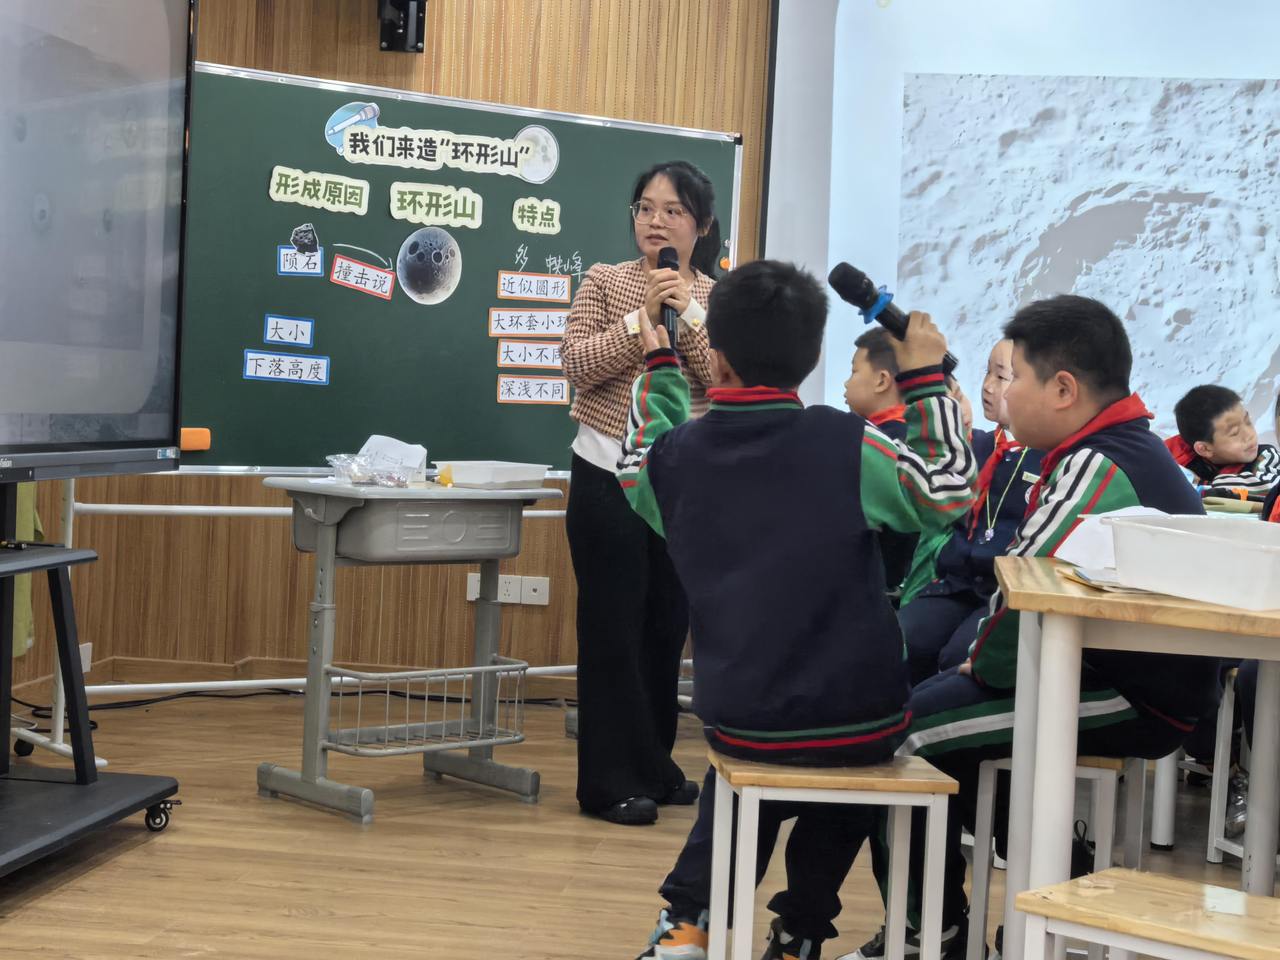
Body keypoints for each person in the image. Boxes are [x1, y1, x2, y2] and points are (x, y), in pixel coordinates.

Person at [619, 259, 976, 960]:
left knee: (747, 769)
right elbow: (945, 493)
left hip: (741, 714)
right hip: (862, 714)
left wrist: (660, 367)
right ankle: (802, 929)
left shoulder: (676, 460)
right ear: (812, 359)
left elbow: (635, 463)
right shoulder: (848, 442)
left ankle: (688, 924)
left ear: (716, 358)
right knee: (848, 769)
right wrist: (927, 380)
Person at [847, 296, 1220, 960]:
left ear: (1064, 389)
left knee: (902, 736)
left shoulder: (1096, 463)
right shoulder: (1112, 448)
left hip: (1133, 694)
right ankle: (1044, 887)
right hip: (1101, 673)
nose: (1005, 391)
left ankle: (930, 935)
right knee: (942, 716)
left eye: (1013, 375)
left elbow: (1026, 590)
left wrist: (983, 663)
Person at [560, 160, 722, 825]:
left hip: (682, 487)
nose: (656, 221)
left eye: (672, 210)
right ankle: (607, 783)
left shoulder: (716, 297)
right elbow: (576, 364)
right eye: (646, 208)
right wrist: (640, 322)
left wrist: (691, 314)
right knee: (613, 628)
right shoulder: (605, 281)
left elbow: (724, 380)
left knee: (665, 626)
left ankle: (654, 765)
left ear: (700, 226)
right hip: (606, 475)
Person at [897, 339, 1043, 685]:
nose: (987, 386)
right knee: (900, 636)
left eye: (1002, 376)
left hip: (1002, 593)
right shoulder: (974, 448)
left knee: (958, 655)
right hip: (957, 585)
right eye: (987, 373)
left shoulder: (1050, 458)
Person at [842, 328, 918, 600]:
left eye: (854, 371)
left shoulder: (881, 444)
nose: (846, 383)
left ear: (881, 381)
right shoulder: (913, 435)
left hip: (873, 586)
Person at [1165, 384, 1280, 492]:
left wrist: (1201, 485)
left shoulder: (1267, 456)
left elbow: (1269, 487)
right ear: (1205, 449)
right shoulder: (1181, 461)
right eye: (1235, 433)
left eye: (1248, 422)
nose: (1249, 435)